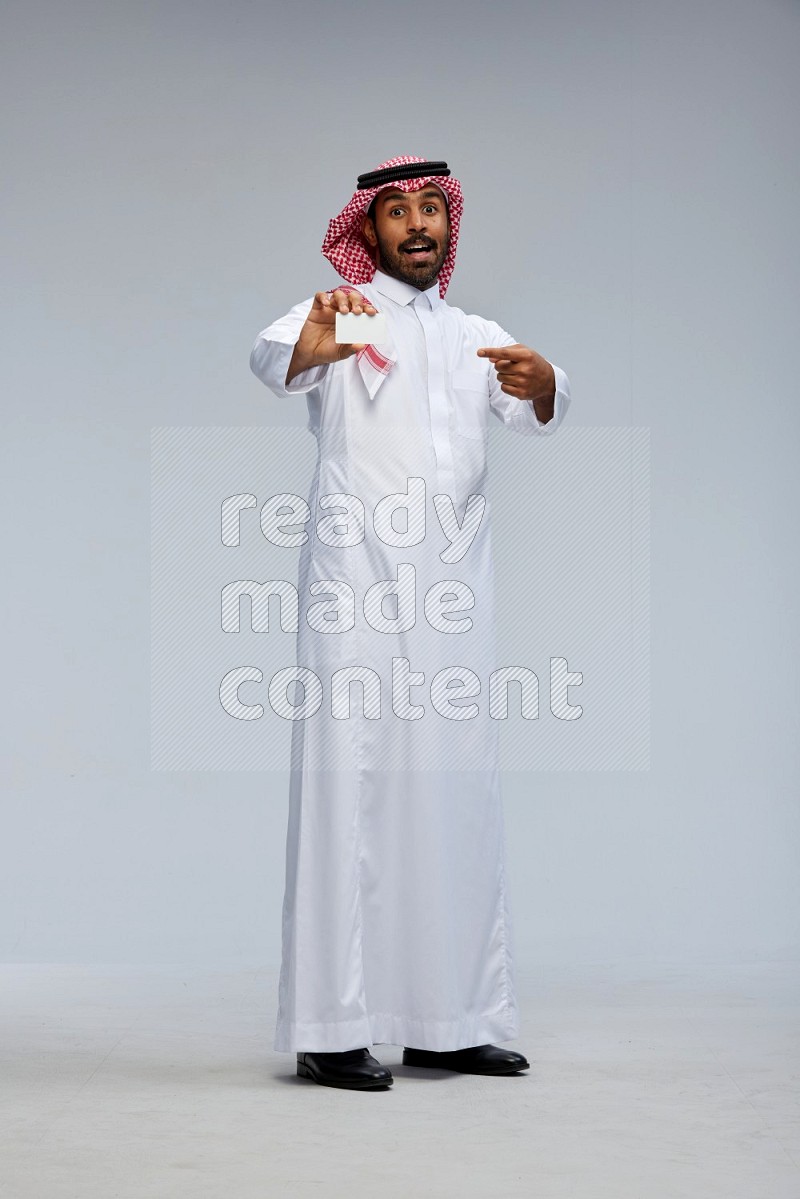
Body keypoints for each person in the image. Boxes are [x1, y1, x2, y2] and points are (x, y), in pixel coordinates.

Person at [249, 156, 571, 1090]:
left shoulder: (477, 333)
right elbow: (273, 360)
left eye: (432, 208)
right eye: (398, 212)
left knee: (454, 795)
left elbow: (536, 408)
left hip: (453, 597)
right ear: (371, 228)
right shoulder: (340, 308)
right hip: (355, 587)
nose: (418, 225)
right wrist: (311, 342)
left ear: (448, 224)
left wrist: (547, 378)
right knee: (349, 791)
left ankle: (451, 1019)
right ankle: (330, 1024)